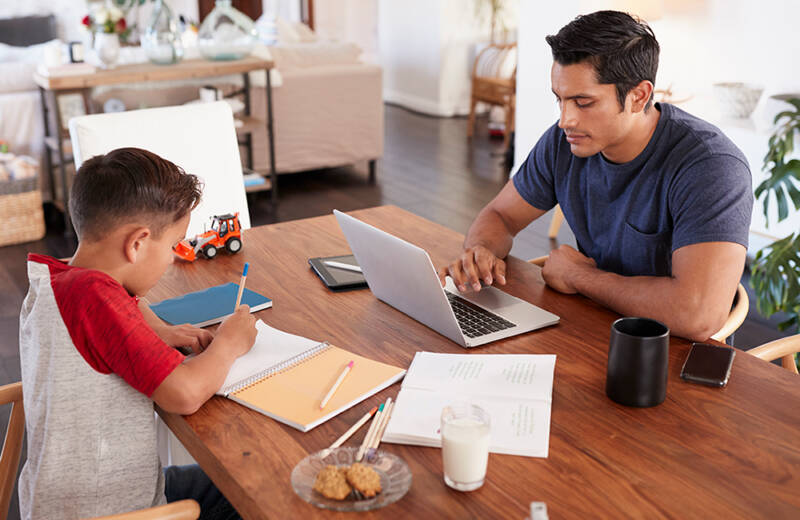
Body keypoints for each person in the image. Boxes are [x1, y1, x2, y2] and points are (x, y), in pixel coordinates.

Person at [439, 10, 753, 341]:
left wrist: (579, 277)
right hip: (593, 327)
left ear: (639, 96)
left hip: (672, 355)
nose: (565, 120)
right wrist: (481, 250)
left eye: (583, 103)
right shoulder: (564, 143)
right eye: (559, 100)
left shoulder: (711, 167)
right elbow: (501, 214)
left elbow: (697, 315)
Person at [18, 147, 257, 519]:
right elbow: (184, 394)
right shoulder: (95, 299)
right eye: (173, 246)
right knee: (252, 489)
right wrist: (229, 343)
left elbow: (126, 304)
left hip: (65, 498)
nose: (174, 257)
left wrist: (159, 329)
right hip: (113, 510)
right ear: (138, 243)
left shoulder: (61, 279)